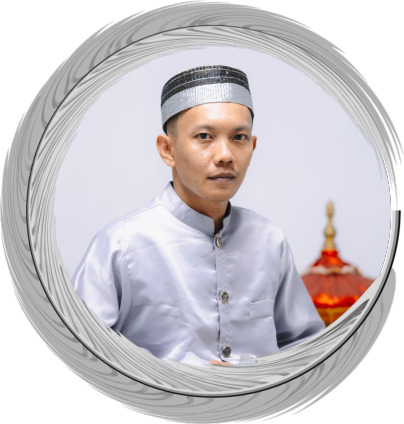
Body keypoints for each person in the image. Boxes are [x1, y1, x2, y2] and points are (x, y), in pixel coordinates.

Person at [72, 65, 325, 368]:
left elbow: (306, 349)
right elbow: (82, 358)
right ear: (168, 149)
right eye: (205, 136)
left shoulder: (270, 241)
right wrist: (186, 380)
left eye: (239, 137)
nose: (225, 155)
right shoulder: (121, 246)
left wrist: (253, 375)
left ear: (253, 146)